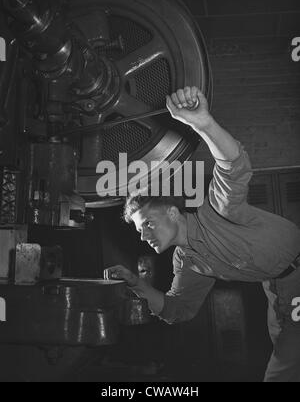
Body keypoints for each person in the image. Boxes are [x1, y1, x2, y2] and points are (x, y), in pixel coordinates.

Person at [104, 86, 300, 382]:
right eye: (138, 230)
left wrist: (202, 123)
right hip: (278, 290)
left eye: (146, 223)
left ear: (172, 211)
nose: (143, 236)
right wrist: (136, 284)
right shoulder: (187, 262)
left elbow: (233, 167)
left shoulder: (218, 211)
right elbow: (176, 309)